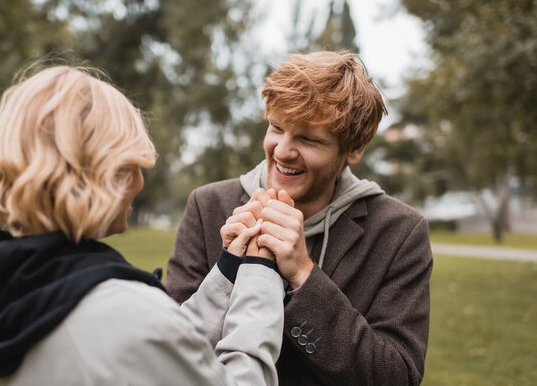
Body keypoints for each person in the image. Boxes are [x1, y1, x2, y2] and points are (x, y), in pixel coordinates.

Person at [0, 65, 285, 385]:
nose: (140, 180)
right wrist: (260, 271)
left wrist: (228, 268)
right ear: (104, 174)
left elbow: (168, 348)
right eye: (133, 163)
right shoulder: (128, 315)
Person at [166, 51, 433, 386]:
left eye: (308, 139)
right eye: (277, 127)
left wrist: (305, 277)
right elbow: (168, 354)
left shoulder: (399, 232)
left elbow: (397, 376)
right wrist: (228, 274)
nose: (281, 151)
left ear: (353, 149)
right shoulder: (208, 207)